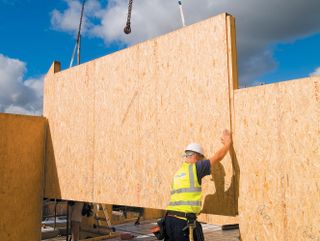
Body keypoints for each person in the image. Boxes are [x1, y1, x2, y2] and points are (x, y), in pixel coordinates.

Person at [165, 129, 232, 241]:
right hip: (183, 223)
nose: (202, 161)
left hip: (169, 221)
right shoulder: (196, 168)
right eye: (201, 158)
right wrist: (228, 144)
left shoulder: (179, 173)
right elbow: (217, 157)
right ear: (196, 156)